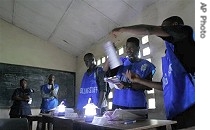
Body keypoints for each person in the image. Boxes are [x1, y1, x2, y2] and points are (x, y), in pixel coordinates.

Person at [112, 16, 195, 129]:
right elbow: (163, 86)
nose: (161, 31)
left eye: (164, 28)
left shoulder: (185, 34)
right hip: (176, 113)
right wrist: (138, 80)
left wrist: (122, 29)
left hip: (192, 109)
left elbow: (149, 29)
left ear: (175, 25)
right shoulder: (169, 56)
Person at [105, 37, 156, 110]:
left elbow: (148, 86)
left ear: (138, 48)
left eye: (131, 47)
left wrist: (128, 85)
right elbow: (106, 71)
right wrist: (111, 53)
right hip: (118, 104)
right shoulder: (121, 61)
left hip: (137, 105)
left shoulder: (147, 65)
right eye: (127, 47)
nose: (128, 50)